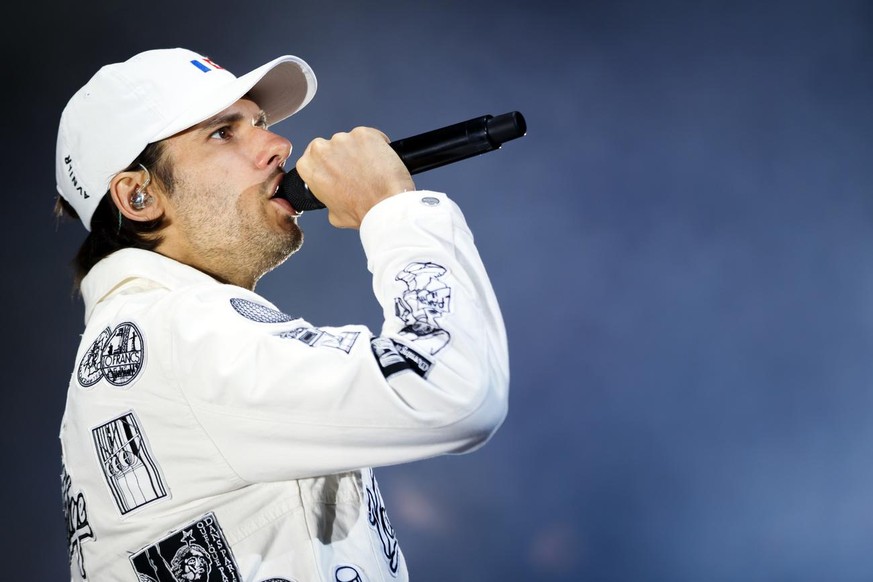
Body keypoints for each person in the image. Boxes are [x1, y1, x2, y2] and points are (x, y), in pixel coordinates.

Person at [54, 47, 509, 582]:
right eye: (224, 133)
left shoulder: (150, 334)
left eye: (261, 123)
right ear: (138, 196)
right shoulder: (178, 332)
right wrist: (393, 208)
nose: (279, 145)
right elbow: (449, 390)